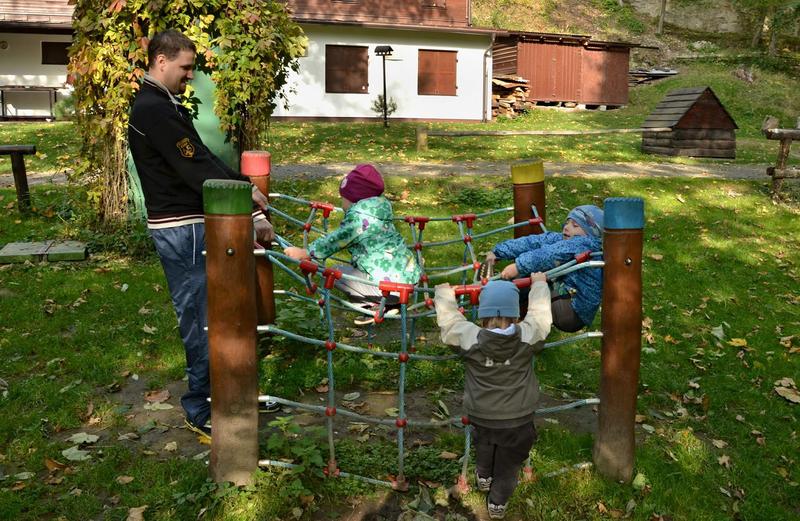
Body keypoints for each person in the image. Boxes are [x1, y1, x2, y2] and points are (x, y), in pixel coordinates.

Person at [128, 29, 276, 437]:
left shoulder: (165, 104)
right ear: (161, 61)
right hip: (181, 229)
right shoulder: (153, 109)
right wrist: (248, 203)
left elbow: (203, 156)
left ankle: (232, 394)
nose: (190, 75)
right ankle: (202, 405)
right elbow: (194, 169)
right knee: (201, 317)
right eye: (185, 67)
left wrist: (244, 187)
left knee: (222, 312)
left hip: (192, 223)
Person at [434, 276, 552, 520]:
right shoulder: (527, 335)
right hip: (519, 419)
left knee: (484, 444)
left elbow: (450, 323)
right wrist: (539, 284)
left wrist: (445, 295)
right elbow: (540, 317)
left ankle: (484, 475)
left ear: (482, 316)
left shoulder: (470, 337)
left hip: (482, 415)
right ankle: (497, 502)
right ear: (516, 316)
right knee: (509, 466)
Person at [283, 164, 421, 308]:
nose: (342, 202)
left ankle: (374, 306)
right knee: (358, 269)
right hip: (410, 282)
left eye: (343, 198)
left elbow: (334, 240)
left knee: (335, 272)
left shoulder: (358, 220)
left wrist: (305, 252)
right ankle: (389, 305)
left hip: (386, 290)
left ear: (354, 199)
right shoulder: (380, 212)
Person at [486, 205, 603, 332]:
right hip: (564, 295)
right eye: (567, 222)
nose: (567, 227)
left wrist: (518, 266)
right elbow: (532, 242)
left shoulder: (584, 244)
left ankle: (503, 316)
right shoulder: (563, 239)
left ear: (590, 233)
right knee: (529, 276)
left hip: (572, 312)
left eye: (575, 226)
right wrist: (499, 251)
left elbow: (548, 255)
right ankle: (506, 314)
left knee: (532, 275)